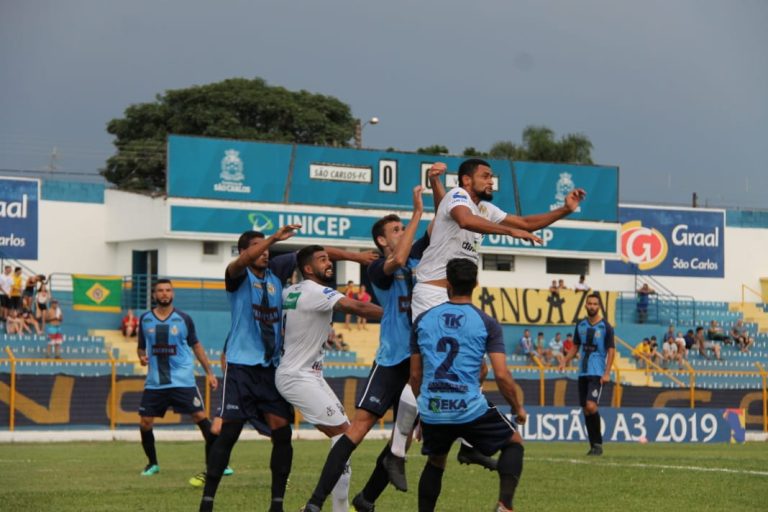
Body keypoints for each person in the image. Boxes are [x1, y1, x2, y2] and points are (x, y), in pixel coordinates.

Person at [199, 225, 377, 512]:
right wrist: (272, 239)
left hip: (271, 368)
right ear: (245, 251)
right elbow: (242, 262)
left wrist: (354, 258)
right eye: (258, 247)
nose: (265, 252)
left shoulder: (276, 273)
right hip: (242, 368)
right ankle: (207, 503)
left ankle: (277, 505)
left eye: (267, 248)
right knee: (229, 434)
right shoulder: (236, 276)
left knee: (282, 434)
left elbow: (316, 254)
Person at [301, 186, 430, 512]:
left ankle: (366, 499)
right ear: (382, 242)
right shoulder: (377, 269)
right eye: (396, 230)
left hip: (421, 360)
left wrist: (444, 191)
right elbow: (398, 258)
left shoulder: (418, 259)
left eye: (404, 227)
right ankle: (315, 504)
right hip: (391, 360)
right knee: (356, 431)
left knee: (400, 443)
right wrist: (417, 211)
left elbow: (436, 227)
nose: (403, 232)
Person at [410, 258, 527, 512]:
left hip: (434, 408)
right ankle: (504, 505)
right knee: (514, 442)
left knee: (436, 461)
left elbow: (415, 376)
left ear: (447, 284)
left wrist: (421, 414)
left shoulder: (423, 320)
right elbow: (502, 375)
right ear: (476, 283)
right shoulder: (486, 322)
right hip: (469, 409)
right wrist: (517, 408)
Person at [279, 245, 383, 512]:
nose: (329, 263)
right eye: (323, 260)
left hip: (307, 373)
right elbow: (356, 306)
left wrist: (353, 256)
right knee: (344, 438)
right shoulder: (316, 292)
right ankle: (326, 507)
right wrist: (397, 315)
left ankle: (334, 508)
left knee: (345, 438)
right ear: (307, 268)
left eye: (329, 259)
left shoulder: (290, 291)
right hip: (298, 376)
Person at [137, 279, 219, 479]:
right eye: (160, 291)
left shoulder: (184, 318)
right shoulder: (145, 319)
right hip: (156, 382)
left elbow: (197, 346)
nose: (164, 294)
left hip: (182, 381)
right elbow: (141, 347)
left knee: (200, 417)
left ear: (172, 294)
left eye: (167, 290)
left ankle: (218, 463)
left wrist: (209, 372)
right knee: (145, 423)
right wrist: (141, 356)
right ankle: (152, 464)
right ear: (154, 295)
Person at [560, 293, 615, 455]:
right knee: (586, 409)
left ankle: (598, 444)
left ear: (599, 306)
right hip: (582, 372)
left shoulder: (606, 327)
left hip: (597, 372)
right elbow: (576, 346)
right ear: (586, 305)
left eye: (595, 304)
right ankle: (593, 446)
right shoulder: (581, 325)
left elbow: (611, 350)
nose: (592, 306)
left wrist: (607, 372)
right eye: (589, 303)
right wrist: (565, 360)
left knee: (591, 405)